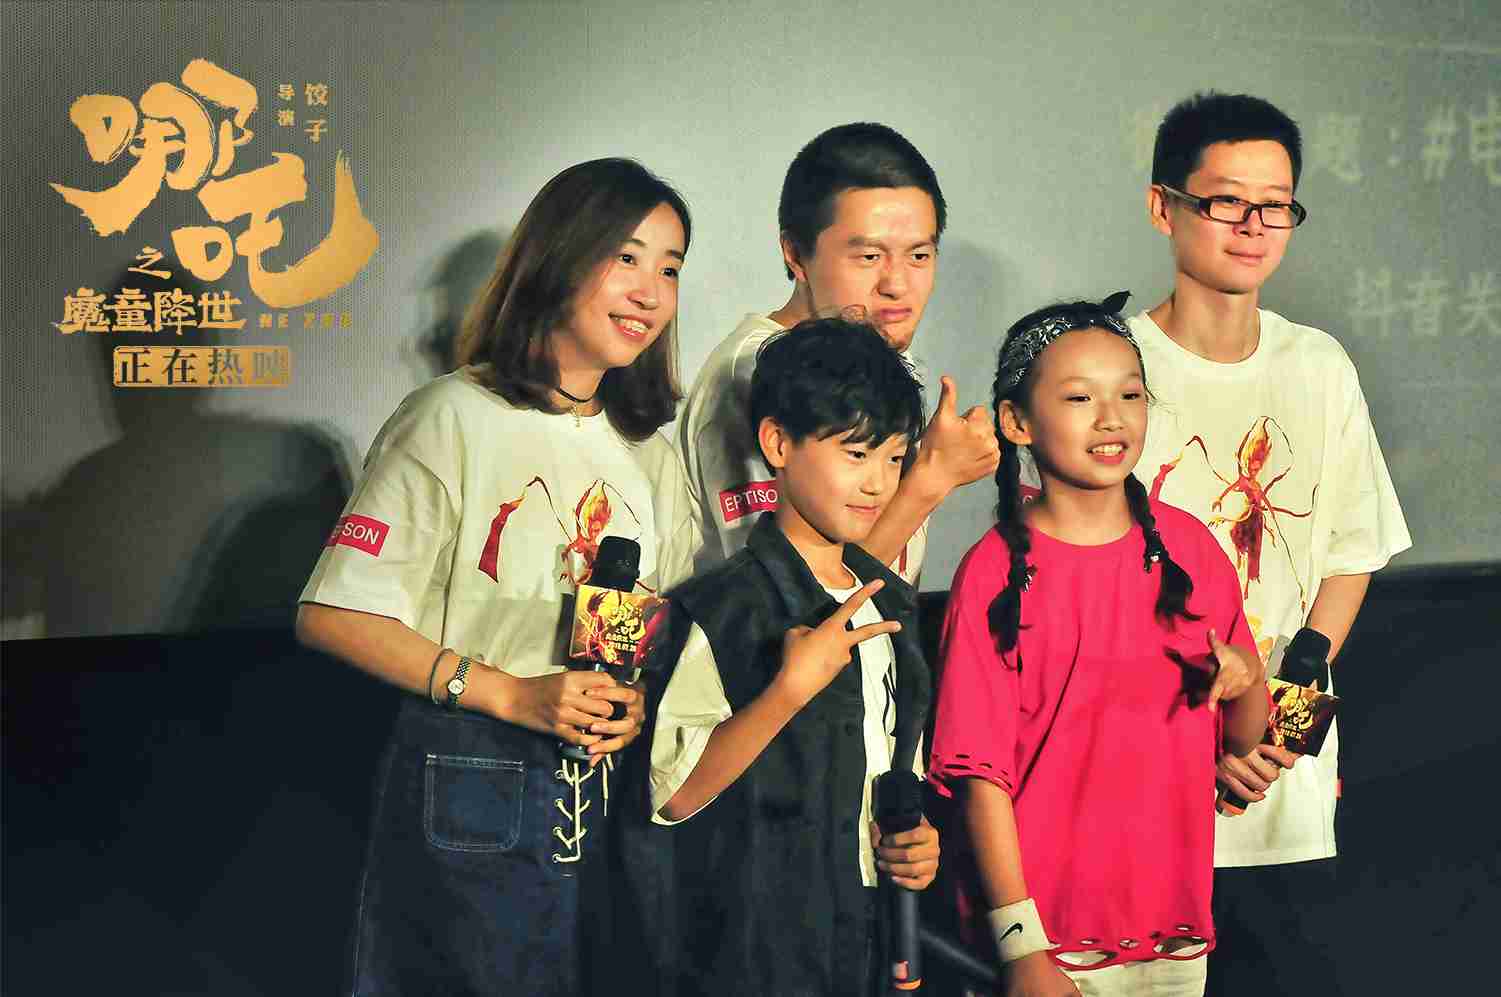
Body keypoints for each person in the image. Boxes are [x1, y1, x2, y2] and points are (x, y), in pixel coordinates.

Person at [294, 158, 700, 997]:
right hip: (472, 782)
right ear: (559, 257)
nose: (649, 292)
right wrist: (512, 694)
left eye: (669, 268)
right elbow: (333, 614)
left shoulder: (650, 453)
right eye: (625, 257)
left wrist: (626, 697)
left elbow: (648, 621)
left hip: (611, 801)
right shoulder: (452, 416)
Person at [1131, 92, 1411, 997]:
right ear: (1163, 205)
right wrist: (1207, 741)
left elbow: (1350, 557)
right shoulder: (1110, 367)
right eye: (1225, 201)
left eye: (1276, 204)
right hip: (1143, 782)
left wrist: (1280, 734)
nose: (1253, 226)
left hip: (1281, 786)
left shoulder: (1317, 365)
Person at [928, 298, 1270, 997]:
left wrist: (1245, 684)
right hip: (1044, 945)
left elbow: (1242, 740)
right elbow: (979, 777)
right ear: (1016, 422)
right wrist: (1021, 946)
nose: (1111, 418)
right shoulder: (993, 573)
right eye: (1080, 398)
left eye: (1130, 394)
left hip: (1171, 935)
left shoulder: (1190, 549)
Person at [650, 318, 942, 996]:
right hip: (754, 950)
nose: (877, 483)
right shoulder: (721, 607)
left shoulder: (892, 604)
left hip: (872, 939)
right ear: (778, 443)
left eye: (894, 459)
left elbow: (894, 771)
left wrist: (918, 843)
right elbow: (673, 792)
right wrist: (786, 692)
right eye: (855, 453)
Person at [677, 121, 998, 584]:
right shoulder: (749, 373)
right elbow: (781, 599)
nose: (897, 285)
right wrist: (932, 478)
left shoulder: (876, 352)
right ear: (795, 254)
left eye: (919, 256)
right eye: (869, 257)